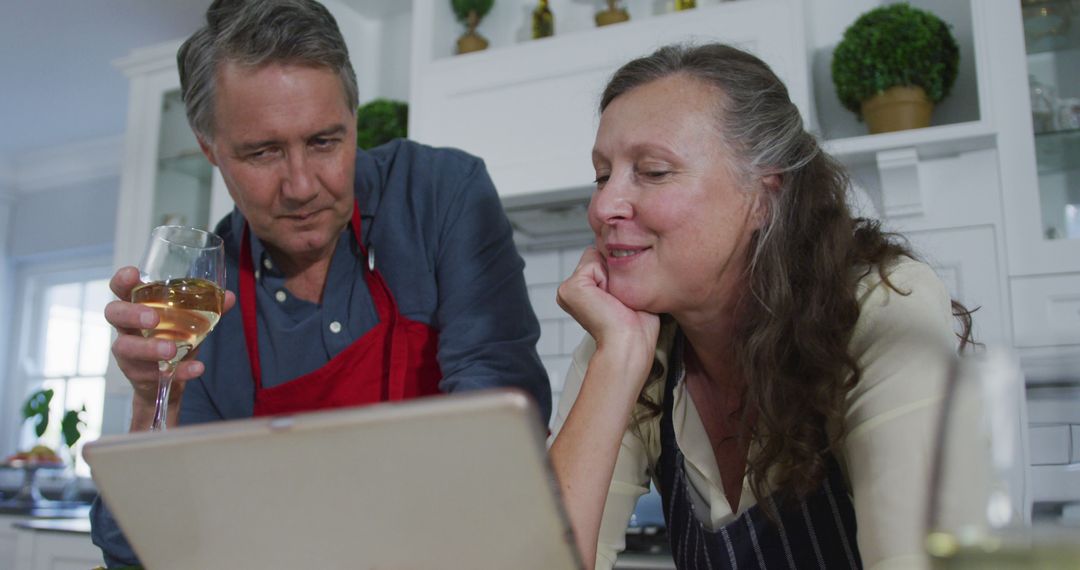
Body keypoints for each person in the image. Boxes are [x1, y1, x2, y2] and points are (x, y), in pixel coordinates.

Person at [90, 0, 550, 566]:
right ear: (210, 150)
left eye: (326, 142)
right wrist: (152, 402)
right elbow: (140, 549)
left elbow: (502, 426)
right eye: (263, 152)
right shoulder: (202, 296)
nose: (302, 185)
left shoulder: (439, 194)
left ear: (353, 120)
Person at [549, 43, 975, 570]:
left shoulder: (881, 307)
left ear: (764, 195)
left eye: (654, 171)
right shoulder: (624, 336)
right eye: (601, 175)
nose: (603, 205)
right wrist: (613, 363)